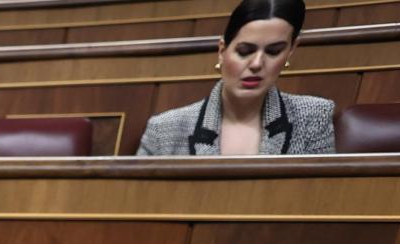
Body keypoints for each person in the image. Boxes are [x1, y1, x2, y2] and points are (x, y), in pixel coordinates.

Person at [136, 0, 334, 156]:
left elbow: (321, 202)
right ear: (222, 51)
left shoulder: (313, 118)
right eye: (244, 51)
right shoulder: (164, 131)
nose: (257, 63)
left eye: (274, 51)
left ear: (291, 51)